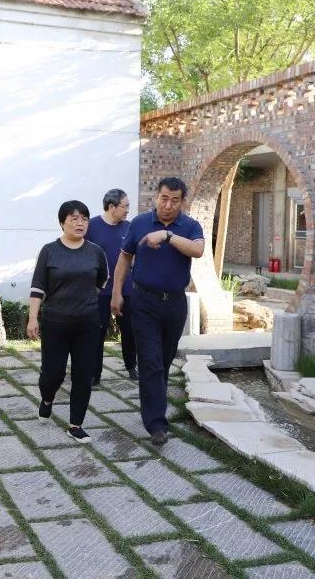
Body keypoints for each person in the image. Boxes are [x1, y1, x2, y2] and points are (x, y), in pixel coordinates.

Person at [111, 177, 204, 447]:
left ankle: (154, 404)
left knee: (163, 361)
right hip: (144, 302)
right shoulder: (139, 223)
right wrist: (116, 292)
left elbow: (198, 250)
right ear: (156, 197)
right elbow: (124, 258)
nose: (168, 205)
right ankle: (157, 424)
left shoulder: (190, 226)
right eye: (164, 198)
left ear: (182, 202)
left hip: (174, 304)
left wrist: (167, 236)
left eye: (174, 200)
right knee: (150, 361)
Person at [27, 200, 109, 444]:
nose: (80, 223)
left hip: (88, 323)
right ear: (62, 223)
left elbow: (102, 280)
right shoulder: (49, 251)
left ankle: (76, 425)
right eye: (74, 219)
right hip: (56, 322)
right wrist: (33, 318)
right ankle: (47, 399)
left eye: (84, 218)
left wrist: (83, 299)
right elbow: (38, 287)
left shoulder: (95, 252)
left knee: (83, 374)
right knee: (52, 374)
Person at [86, 189, 137, 385]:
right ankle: (94, 373)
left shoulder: (130, 227)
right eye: (125, 206)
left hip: (127, 288)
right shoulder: (92, 227)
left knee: (129, 330)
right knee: (97, 332)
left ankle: (131, 366)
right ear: (111, 207)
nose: (127, 210)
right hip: (100, 290)